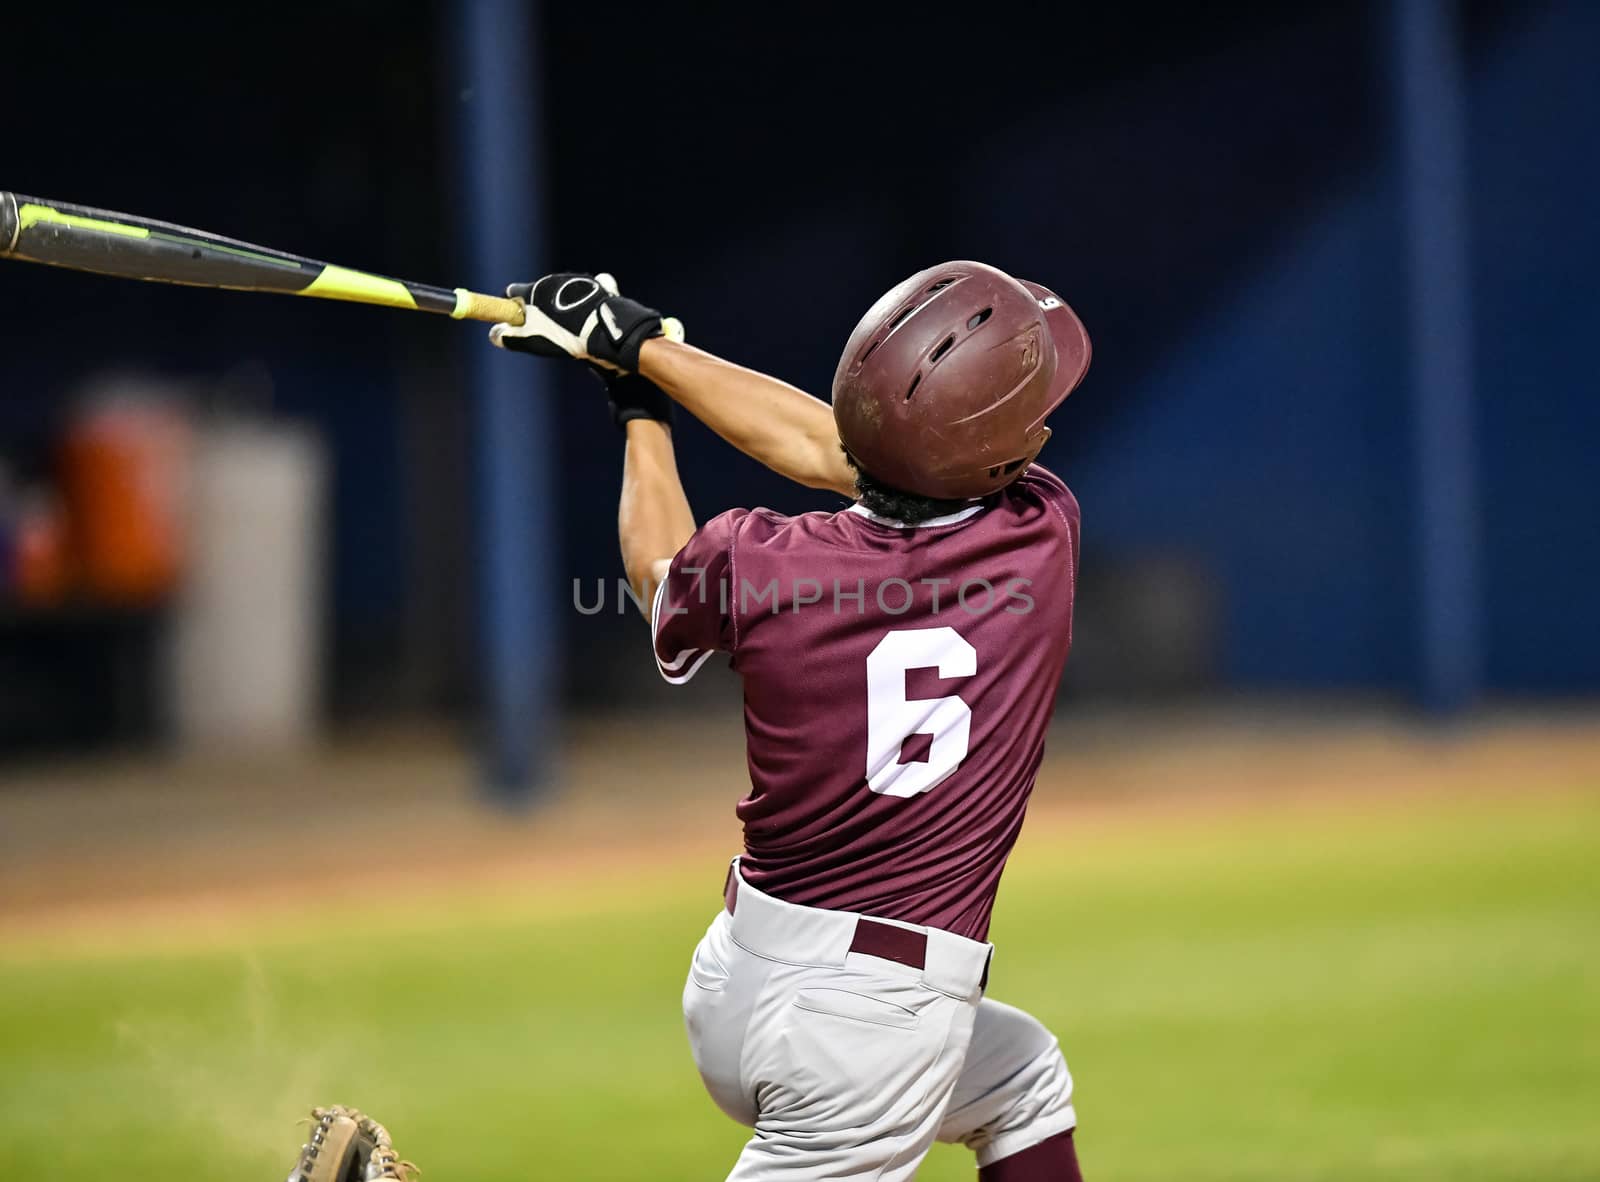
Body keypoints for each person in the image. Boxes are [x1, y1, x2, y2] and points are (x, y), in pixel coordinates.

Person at [491, 260, 1091, 1181]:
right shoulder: (1038, 532)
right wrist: (646, 355)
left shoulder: (763, 566)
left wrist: (636, 386)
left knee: (1020, 1081)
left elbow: (664, 572)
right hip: (873, 1026)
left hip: (739, 974)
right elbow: (844, 446)